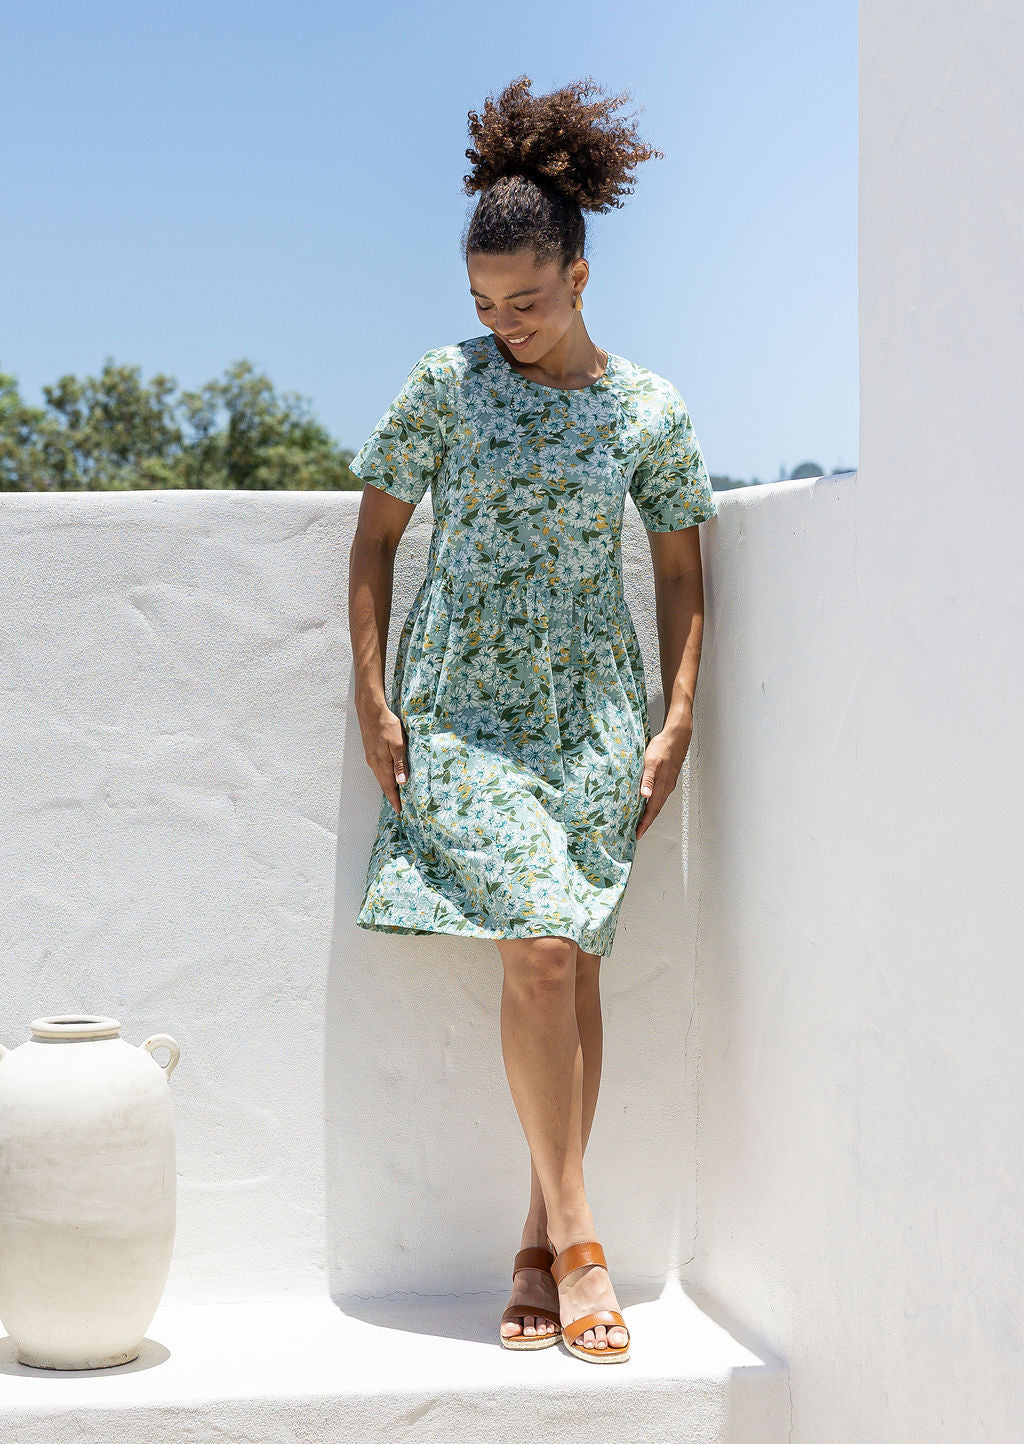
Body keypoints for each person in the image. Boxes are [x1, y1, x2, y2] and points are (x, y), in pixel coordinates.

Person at [347, 75, 717, 1365]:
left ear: (580, 274)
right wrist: (373, 693)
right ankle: (582, 1244)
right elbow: (378, 539)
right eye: (484, 303)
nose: (504, 324)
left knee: (574, 967)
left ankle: (533, 1236)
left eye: (528, 298)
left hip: (595, 720)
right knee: (545, 948)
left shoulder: (650, 413)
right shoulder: (443, 389)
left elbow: (678, 574)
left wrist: (675, 721)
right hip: (461, 714)